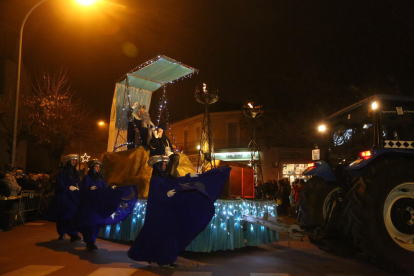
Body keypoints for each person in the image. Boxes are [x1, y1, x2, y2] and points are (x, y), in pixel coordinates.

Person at [128, 153, 231, 268]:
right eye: (162, 164)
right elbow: (157, 196)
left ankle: (165, 259)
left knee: (166, 237)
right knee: (158, 237)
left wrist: (190, 176)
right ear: (156, 166)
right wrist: (166, 194)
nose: (164, 166)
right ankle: (160, 259)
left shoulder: (164, 178)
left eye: (164, 164)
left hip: (165, 214)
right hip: (157, 215)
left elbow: (176, 181)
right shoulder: (155, 180)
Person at [74, 159, 123, 250]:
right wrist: (89, 189)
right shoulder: (87, 178)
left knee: (96, 224)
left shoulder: (101, 179)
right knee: (90, 224)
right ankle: (89, 242)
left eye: (99, 167)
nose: (97, 168)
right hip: (89, 206)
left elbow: (103, 190)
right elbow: (82, 191)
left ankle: (92, 241)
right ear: (92, 167)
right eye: (96, 167)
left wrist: (110, 188)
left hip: (98, 206)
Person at [44, 154, 81, 242]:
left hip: (74, 196)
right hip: (64, 195)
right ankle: (62, 232)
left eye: (75, 161)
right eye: (72, 161)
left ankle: (73, 234)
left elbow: (78, 182)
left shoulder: (76, 172)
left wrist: (78, 187)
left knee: (73, 215)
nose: (74, 162)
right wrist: (67, 187)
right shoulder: (63, 172)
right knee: (63, 215)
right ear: (68, 162)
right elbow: (60, 183)